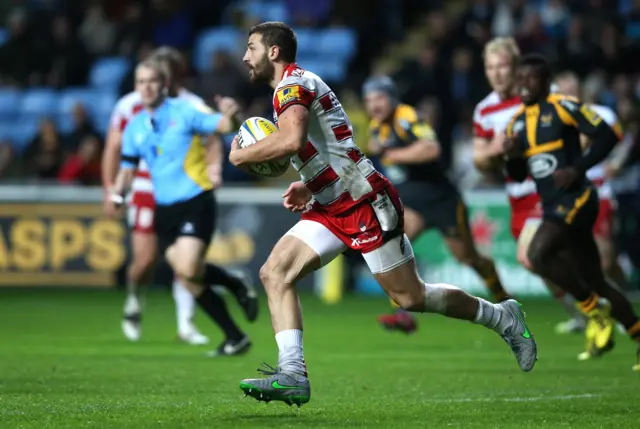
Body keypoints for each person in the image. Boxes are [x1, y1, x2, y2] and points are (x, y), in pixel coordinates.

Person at [230, 21, 537, 407]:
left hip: (363, 201)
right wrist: (309, 185)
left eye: (252, 47)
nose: (245, 56)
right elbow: (334, 146)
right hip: (330, 204)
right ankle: (292, 374)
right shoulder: (294, 86)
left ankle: (501, 317)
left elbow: (291, 140)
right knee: (274, 272)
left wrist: (239, 154)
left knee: (410, 297)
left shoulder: (292, 87)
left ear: (273, 52)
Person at [102, 47, 258, 345]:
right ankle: (235, 334)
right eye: (140, 81)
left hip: (194, 199)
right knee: (189, 276)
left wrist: (233, 114)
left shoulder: (186, 111)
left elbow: (225, 127)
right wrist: (117, 192)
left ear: (164, 85)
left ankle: (227, 292)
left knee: (187, 269)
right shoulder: (135, 126)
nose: (146, 87)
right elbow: (128, 168)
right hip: (164, 208)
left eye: (152, 81)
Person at [504, 54, 640, 370]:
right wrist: (511, 156)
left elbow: (608, 135)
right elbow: (521, 173)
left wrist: (577, 169)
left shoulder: (563, 106)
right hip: (554, 205)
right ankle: (633, 332)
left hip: (578, 199)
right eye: (520, 79)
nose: (524, 85)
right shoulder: (517, 123)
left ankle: (594, 311)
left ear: (545, 82)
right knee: (596, 279)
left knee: (537, 255)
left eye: (531, 78)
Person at [363, 76, 510, 334]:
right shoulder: (377, 127)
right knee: (392, 248)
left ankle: (504, 300)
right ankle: (402, 313)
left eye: (379, 98)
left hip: (442, 201)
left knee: (468, 257)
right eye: (369, 100)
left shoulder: (406, 117)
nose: (374, 104)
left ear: (392, 98)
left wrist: (389, 154)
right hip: (413, 204)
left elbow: (431, 149)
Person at [472, 37, 585, 333]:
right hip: (517, 194)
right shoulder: (485, 110)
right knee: (541, 261)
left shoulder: (545, 94)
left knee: (532, 255)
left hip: (549, 188)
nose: (496, 73)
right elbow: (479, 158)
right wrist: (495, 150)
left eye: (503, 66)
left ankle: (593, 307)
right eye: (490, 67)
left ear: (516, 66)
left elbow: (578, 131)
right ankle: (584, 311)